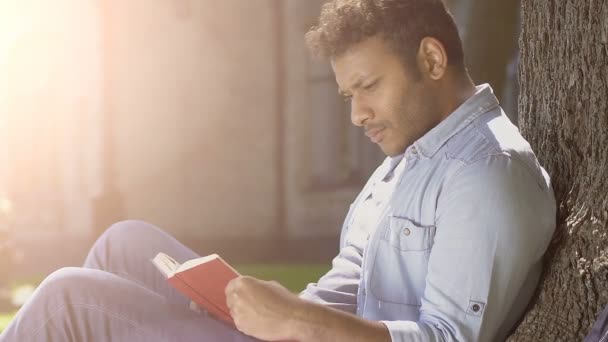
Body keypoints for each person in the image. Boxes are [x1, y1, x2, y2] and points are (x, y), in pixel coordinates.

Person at [0, 0, 556, 341]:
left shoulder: (487, 176)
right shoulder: (411, 154)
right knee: (127, 242)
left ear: (432, 61)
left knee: (68, 299)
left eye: (368, 88)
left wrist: (296, 323)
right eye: (346, 95)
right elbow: (352, 280)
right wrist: (266, 308)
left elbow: (446, 340)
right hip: (305, 337)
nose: (357, 114)